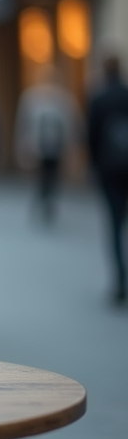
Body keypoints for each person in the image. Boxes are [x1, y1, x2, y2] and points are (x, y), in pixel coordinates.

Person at [87, 53, 128, 305]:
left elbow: (91, 135)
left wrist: (93, 166)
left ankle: (120, 280)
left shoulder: (99, 98)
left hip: (109, 168)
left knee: (114, 224)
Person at [15, 65, 80, 224]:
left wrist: (72, 146)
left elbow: (71, 123)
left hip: (56, 147)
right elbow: (24, 124)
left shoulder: (63, 98)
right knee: (41, 176)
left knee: (53, 176)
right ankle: (42, 201)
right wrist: (22, 146)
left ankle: (48, 203)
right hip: (38, 146)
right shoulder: (31, 97)